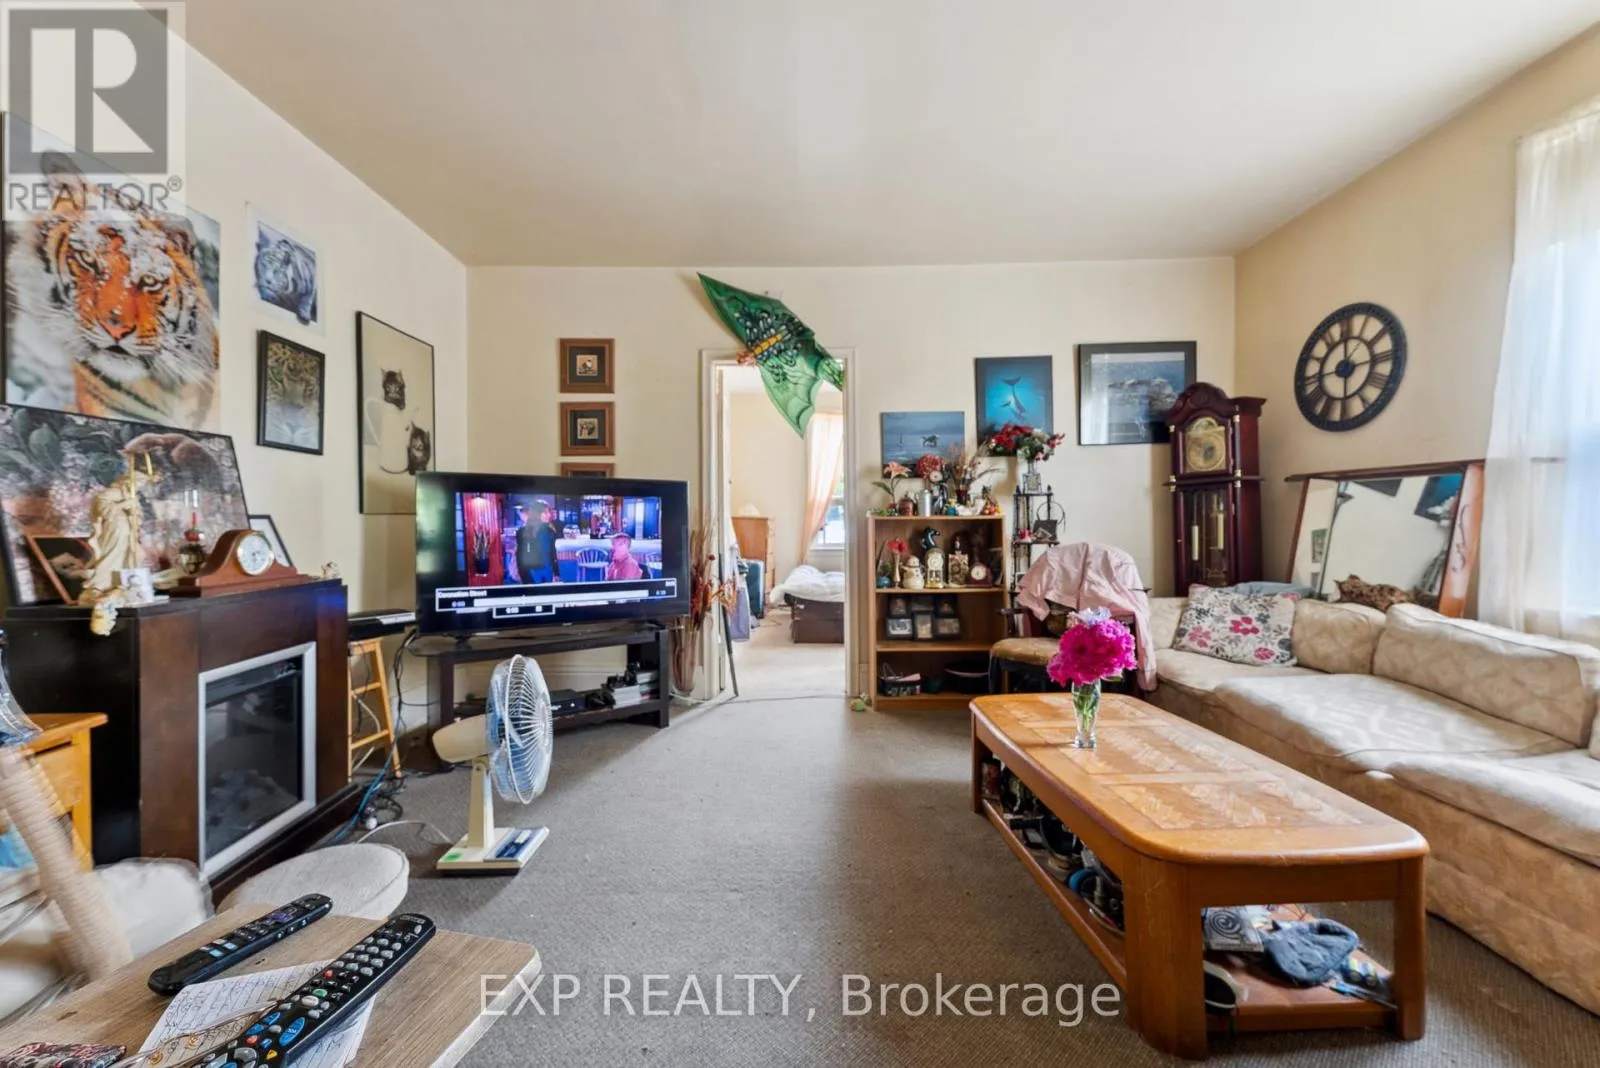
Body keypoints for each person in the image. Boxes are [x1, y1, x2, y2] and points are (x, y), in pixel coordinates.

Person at [516, 502, 559, 584]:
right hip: (533, 573)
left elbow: (553, 553)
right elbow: (521, 558)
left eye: (548, 512)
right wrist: (525, 578)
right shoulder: (524, 532)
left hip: (548, 571)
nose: (549, 515)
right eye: (545, 512)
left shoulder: (550, 532)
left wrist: (556, 572)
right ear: (536, 514)